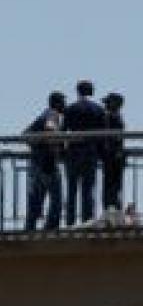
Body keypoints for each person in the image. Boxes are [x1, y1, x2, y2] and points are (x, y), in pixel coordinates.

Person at [62, 79, 107, 225]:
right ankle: (87, 221)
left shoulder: (70, 109)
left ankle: (70, 222)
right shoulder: (98, 109)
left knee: (71, 189)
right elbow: (103, 135)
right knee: (88, 189)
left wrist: (62, 152)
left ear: (78, 91)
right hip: (90, 152)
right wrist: (102, 155)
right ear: (91, 91)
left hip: (73, 152)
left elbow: (63, 132)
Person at [23, 91, 67, 231]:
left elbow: (26, 135)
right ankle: (51, 227)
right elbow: (50, 131)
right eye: (63, 102)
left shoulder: (43, 115)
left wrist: (38, 146)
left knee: (36, 198)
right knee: (56, 198)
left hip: (37, 163)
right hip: (47, 163)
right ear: (57, 103)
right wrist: (56, 149)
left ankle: (29, 228)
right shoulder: (52, 114)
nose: (65, 105)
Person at [101, 92, 126, 212]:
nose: (105, 105)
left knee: (111, 187)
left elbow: (115, 139)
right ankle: (114, 211)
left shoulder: (111, 117)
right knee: (114, 188)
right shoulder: (116, 117)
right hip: (115, 157)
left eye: (107, 102)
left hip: (112, 157)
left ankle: (112, 211)